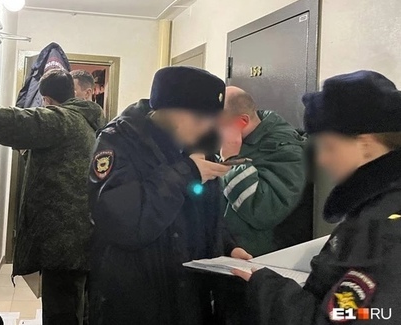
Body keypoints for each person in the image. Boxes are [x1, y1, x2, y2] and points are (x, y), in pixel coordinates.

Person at [233, 70, 401, 325]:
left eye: (329, 146)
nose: (321, 159)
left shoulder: (384, 228)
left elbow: (353, 318)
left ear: (366, 144)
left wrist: (268, 289)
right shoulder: (374, 207)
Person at [88, 66, 244, 325]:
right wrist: (186, 173)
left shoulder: (197, 144)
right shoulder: (119, 142)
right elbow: (125, 224)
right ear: (169, 110)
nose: (206, 127)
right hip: (137, 299)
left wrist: (227, 246)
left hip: (189, 294)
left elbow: (203, 211)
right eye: (199, 118)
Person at [0, 69, 106, 325]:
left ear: (46, 99)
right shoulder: (87, 121)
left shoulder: (60, 119)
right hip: (81, 237)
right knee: (78, 308)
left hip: (63, 242)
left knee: (62, 313)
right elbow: (62, 160)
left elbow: (7, 122)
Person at [219, 86, 307, 256]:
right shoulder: (229, 141)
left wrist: (231, 159)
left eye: (218, 123)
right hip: (225, 250)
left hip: (254, 257)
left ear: (241, 122)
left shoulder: (286, 150)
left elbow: (263, 211)